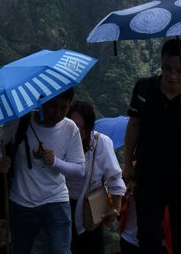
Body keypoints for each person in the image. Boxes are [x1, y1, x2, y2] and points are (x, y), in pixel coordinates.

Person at [122, 38, 181, 254]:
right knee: (148, 238)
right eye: (166, 69)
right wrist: (127, 164)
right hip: (149, 176)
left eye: (179, 71)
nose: (171, 76)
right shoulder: (144, 88)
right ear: (160, 63)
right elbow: (134, 125)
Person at [0, 88, 85, 254]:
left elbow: (79, 169)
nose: (58, 113)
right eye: (53, 106)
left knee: (61, 251)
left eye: (64, 108)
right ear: (42, 101)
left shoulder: (70, 128)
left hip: (56, 199)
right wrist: (0, 160)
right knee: (21, 250)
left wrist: (55, 162)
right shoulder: (21, 121)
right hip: (22, 201)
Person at [67, 101, 127, 254]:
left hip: (92, 206)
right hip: (65, 205)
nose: (79, 131)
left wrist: (115, 208)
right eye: (75, 126)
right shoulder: (62, 141)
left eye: (83, 127)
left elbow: (114, 177)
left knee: (91, 246)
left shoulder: (100, 143)